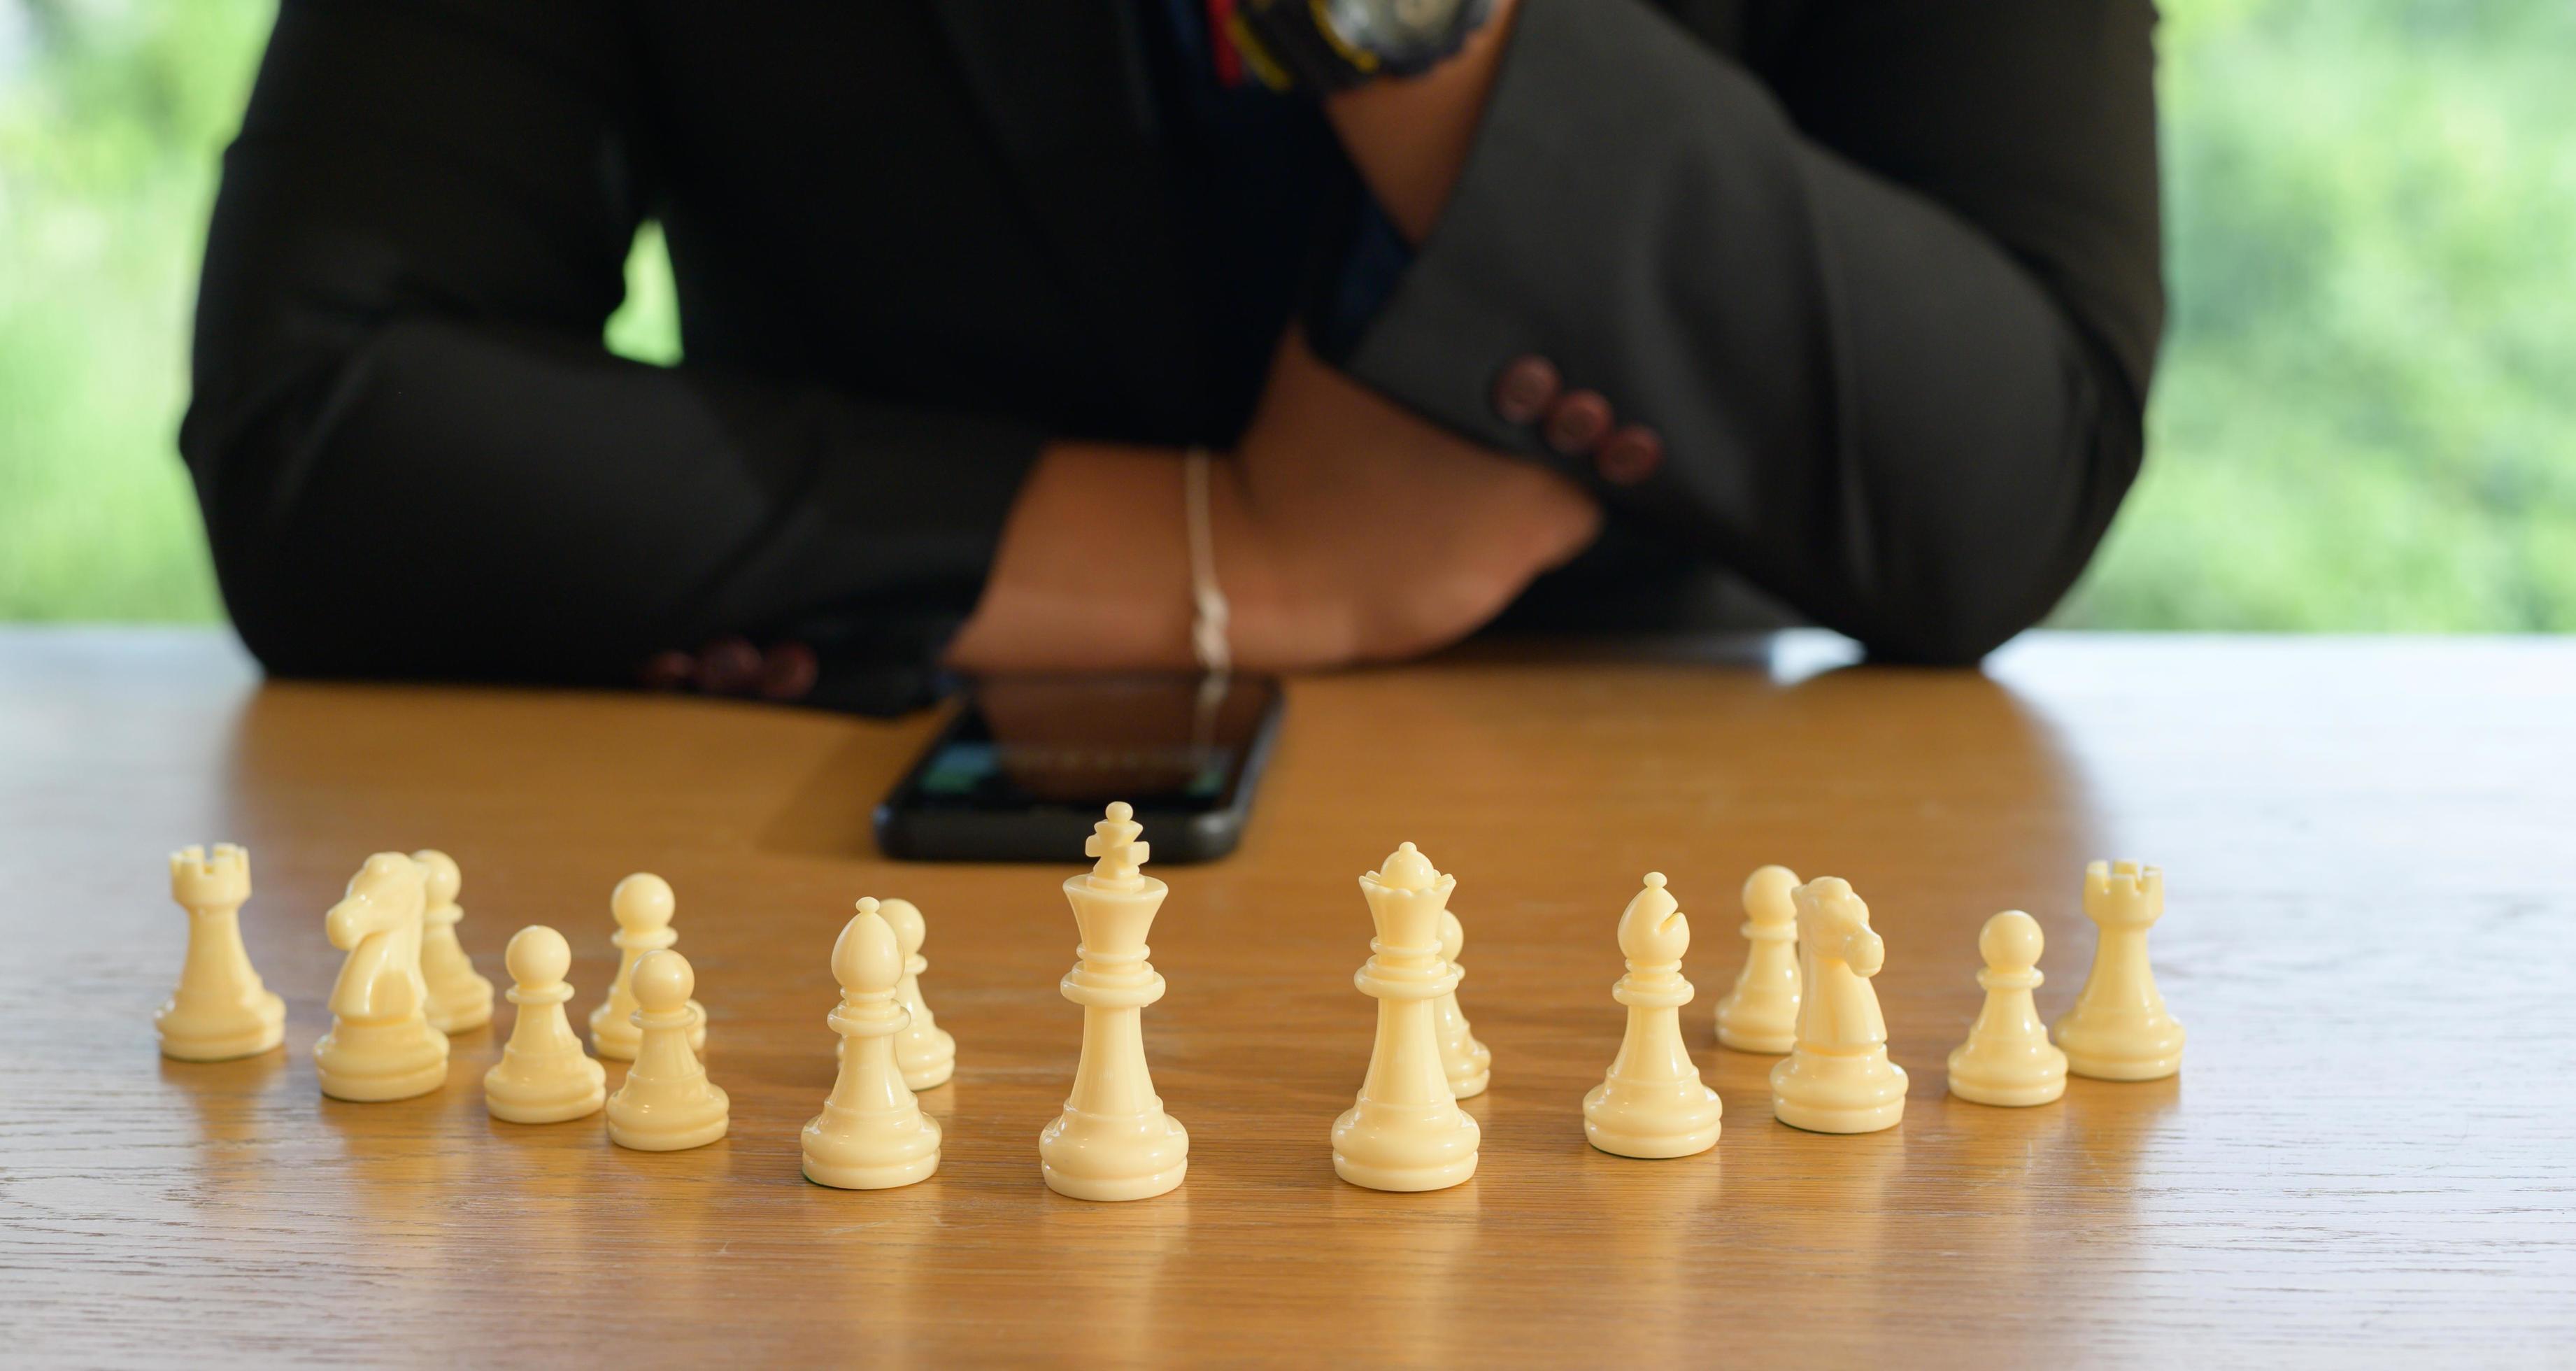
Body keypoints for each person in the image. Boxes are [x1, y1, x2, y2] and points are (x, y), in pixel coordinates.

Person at [182, 0, 2163, 713]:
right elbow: (323, 427)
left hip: (1650, 858)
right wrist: (1239, 559)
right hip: (886, 891)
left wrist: (1386, 19)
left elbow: (2000, 473)